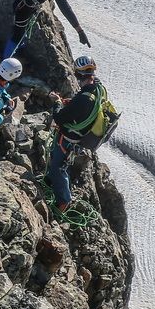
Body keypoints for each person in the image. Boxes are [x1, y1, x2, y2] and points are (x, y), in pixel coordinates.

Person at [46, 54, 113, 212]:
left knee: (58, 167)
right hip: (82, 134)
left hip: (70, 137)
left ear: (78, 75)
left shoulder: (84, 98)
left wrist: (57, 102)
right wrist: (71, 104)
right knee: (62, 164)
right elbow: (83, 108)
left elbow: (60, 118)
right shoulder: (98, 89)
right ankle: (53, 182)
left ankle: (63, 201)